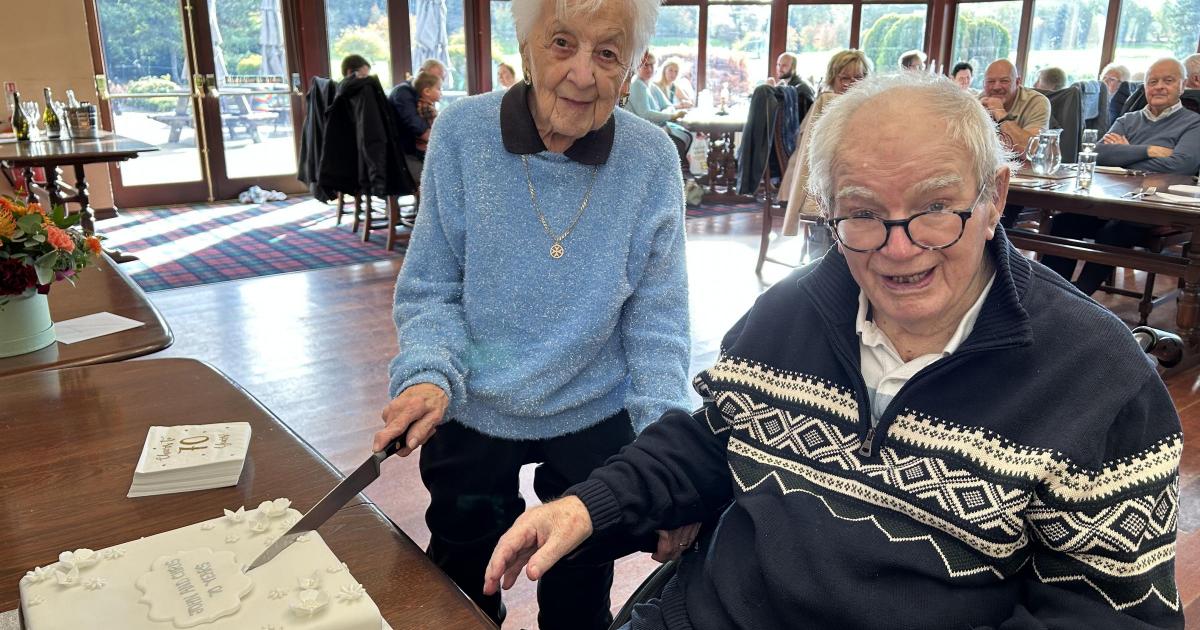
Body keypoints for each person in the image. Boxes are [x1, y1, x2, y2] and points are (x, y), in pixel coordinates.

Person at [484, 71, 1184, 630]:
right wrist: (587, 506)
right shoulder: (789, 313)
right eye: (863, 213)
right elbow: (715, 439)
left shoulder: (1099, 381)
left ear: (994, 196)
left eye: (934, 208)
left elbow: (1111, 614)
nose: (900, 249)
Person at [372, 0, 693, 626]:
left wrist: (665, 455)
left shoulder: (651, 158)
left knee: (580, 589)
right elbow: (431, 286)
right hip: (473, 398)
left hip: (594, 403)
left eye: (608, 53)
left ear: (630, 71)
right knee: (462, 581)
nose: (582, 74)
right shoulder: (463, 134)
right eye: (562, 43)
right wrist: (428, 372)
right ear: (525, 50)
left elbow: (659, 324)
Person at [1040, 58, 1200, 296]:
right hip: (1113, 201)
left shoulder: (1194, 123)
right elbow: (1098, 153)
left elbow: (1181, 165)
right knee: (1064, 222)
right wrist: (1148, 150)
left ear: (1182, 85)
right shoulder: (1128, 119)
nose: (1159, 87)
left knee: (1113, 232)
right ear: (1145, 86)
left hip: (1154, 209)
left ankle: (1079, 297)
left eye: (1168, 81)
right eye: (1153, 81)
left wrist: (1124, 152)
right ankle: (1047, 293)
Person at [778, 49, 868, 236]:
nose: (852, 84)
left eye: (859, 78)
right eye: (845, 78)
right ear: (833, 79)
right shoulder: (828, 102)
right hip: (823, 187)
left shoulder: (866, 109)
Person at [628, 51, 692, 170]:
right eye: (645, 65)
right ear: (637, 67)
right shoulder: (637, 85)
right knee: (682, 141)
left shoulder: (651, 85)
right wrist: (671, 116)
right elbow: (645, 114)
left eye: (652, 65)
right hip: (643, 136)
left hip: (657, 130)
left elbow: (669, 106)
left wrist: (667, 113)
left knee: (687, 137)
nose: (649, 69)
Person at [387, 59, 448, 183]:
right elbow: (418, 128)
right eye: (434, 78)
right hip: (405, 156)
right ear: (421, 72)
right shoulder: (403, 92)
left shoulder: (422, 98)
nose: (438, 83)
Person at [413, 71, 442, 152]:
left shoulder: (422, 104)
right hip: (428, 148)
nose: (441, 93)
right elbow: (438, 129)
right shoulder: (428, 109)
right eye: (439, 89)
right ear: (427, 92)